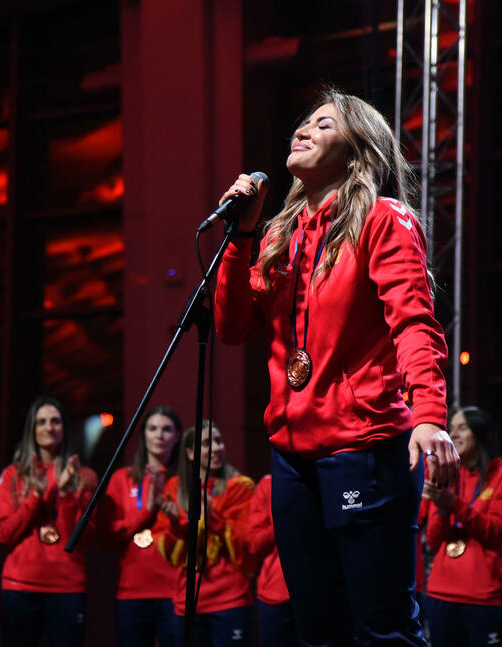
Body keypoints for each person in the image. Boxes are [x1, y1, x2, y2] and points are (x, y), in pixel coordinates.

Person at [213, 88, 458, 645]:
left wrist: (429, 415)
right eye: (303, 122)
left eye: (323, 125)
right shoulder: (279, 233)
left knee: (383, 628)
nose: (301, 130)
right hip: (292, 459)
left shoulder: (383, 219)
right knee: (318, 630)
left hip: (363, 447)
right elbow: (231, 328)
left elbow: (415, 324)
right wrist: (242, 236)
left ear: (357, 151)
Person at [0, 396, 99, 647]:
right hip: (20, 585)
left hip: (67, 586)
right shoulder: (13, 475)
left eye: (55, 421)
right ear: (32, 429)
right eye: (41, 422)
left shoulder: (83, 477)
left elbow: (82, 538)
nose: (48, 428)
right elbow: (4, 534)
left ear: (65, 428)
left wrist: (64, 494)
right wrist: (34, 498)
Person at [152, 421, 256, 646]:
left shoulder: (239, 487)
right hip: (187, 601)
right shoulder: (175, 488)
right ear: (190, 453)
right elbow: (166, 551)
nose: (217, 448)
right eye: (208, 443)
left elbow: (249, 542)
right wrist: (174, 524)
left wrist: (214, 519)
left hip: (230, 599)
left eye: (219, 441)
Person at [421, 407, 502, 647]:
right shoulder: (446, 475)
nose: (453, 435)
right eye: (450, 429)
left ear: (482, 434)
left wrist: (453, 504)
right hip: (440, 594)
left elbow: (495, 532)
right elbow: (433, 541)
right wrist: (443, 510)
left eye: (462, 428)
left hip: (484, 597)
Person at [100, 405, 182, 647]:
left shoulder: (184, 481)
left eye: (167, 429)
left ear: (177, 436)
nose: (159, 435)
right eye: (152, 428)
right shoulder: (121, 479)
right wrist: (146, 510)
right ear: (143, 434)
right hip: (132, 592)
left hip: (174, 591)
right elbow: (108, 538)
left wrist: (177, 519)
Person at [247, 474, 299, 647]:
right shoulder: (268, 485)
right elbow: (255, 544)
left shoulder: (323, 477)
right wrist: (282, 519)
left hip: (318, 592)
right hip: (274, 595)